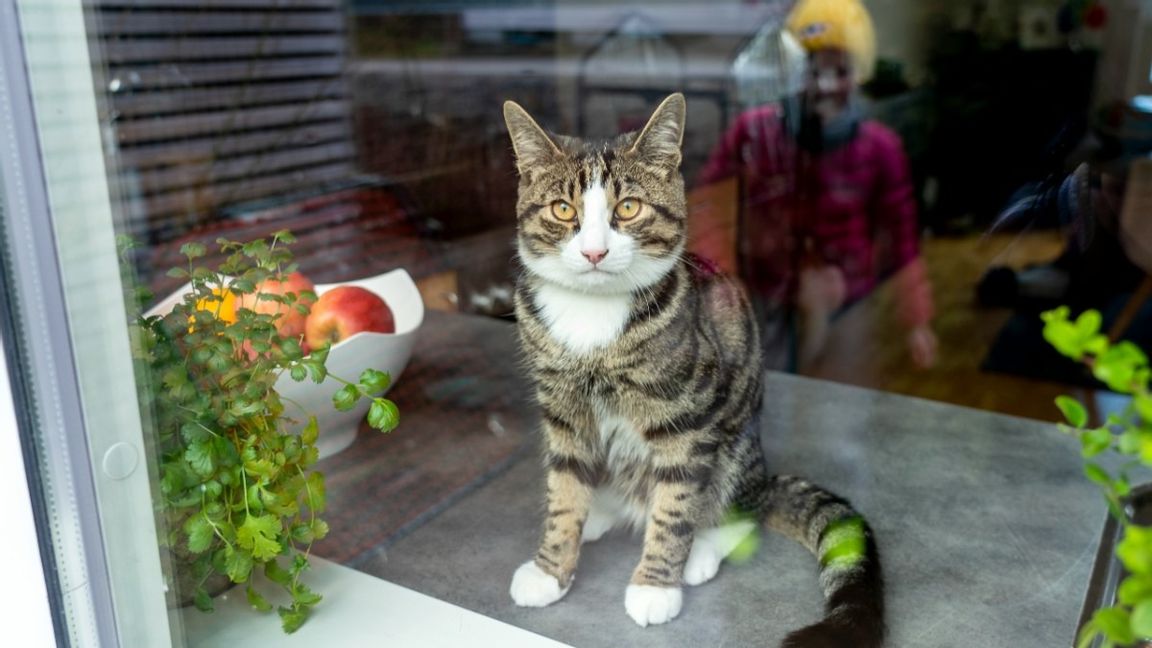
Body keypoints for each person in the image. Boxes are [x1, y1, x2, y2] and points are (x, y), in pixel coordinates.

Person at [694, 0, 936, 370]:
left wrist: (917, 320)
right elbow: (708, 210)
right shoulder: (752, 132)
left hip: (848, 310)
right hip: (764, 300)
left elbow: (901, 239)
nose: (825, 86)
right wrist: (720, 281)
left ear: (859, 74)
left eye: (840, 71)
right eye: (811, 70)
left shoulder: (880, 148)